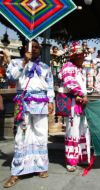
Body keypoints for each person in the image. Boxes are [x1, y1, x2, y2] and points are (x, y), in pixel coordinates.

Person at [4, 40, 55, 188]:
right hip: (23, 103)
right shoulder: (15, 62)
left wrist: (51, 101)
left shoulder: (45, 67)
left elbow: (50, 85)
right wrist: (24, 62)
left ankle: (41, 166)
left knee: (41, 134)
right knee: (21, 135)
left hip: (41, 103)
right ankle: (17, 171)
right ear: (25, 48)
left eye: (37, 47)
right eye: (31, 47)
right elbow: (11, 78)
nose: (35, 50)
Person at [58, 42, 90, 172]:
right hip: (73, 104)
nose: (82, 57)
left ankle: (82, 157)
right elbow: (69, 82)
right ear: (74, 56)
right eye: (80, 55)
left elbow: (82, 86)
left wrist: (84, 95)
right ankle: (71, 160)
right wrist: (80, 93)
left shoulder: (80, 70)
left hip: (81, 103)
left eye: (83, 55)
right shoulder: (68, 66)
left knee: (83, 129)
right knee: (73, 130)